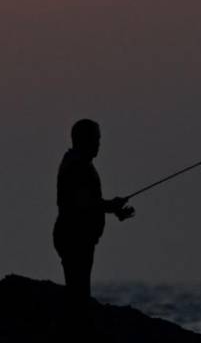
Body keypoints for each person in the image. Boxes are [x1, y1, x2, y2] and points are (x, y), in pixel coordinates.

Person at [53, 119, 135, 305]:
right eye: (95, 139)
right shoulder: (77, 167)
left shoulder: (80, 163)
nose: (99, 144)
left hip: (78, 237)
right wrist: (111, 206)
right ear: (84, 140)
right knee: (79, 294)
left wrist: (114, 210)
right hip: (74, 237)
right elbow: (83, 203)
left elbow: (88, 203)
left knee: (79, 292)